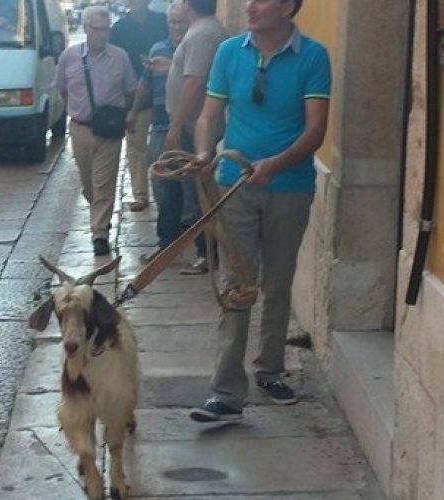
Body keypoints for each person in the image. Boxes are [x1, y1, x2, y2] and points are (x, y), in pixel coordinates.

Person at [187, 0, 331, 423]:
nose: (249, 5)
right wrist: (201, 154)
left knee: (278, 282)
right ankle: (227, 392)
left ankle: (270, 369)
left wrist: (276, 164)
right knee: (237, 285)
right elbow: (209, 115)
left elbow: (316, 128)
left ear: (287, 6)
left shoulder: (313, 55)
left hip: (289, 186)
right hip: (234, 184)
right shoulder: (230, 51)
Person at [57, 6, 138, 256]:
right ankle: (99, 213)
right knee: (89, 184)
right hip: (80, 129)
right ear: (86, 28)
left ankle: (99, 233)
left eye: (106, 29)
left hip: (109, 131)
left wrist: (125, 115)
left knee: (104, 183)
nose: (102, 35)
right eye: (97, 29)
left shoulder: (120, 57)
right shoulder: (70, 57)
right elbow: (63, 89)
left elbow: (130, 90)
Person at [126, 3, 198, 263]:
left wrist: (172, 68)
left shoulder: (195, 48)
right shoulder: (158, 48)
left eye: (181, 22)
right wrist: (134, 111)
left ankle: (199, 244)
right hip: (160, 125)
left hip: (190, 127)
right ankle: (166, 242)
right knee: (163, 185)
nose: (177, 27)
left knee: (193, 188)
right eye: (173, 22)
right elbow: (145, 83)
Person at [164, 0, 229, 274]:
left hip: (195, 130)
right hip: (195, 126)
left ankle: (206, 254)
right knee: (196, 193)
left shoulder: (202, 34)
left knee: (199, 195)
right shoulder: (202, 29)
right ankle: (206, 250)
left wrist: (176, 126)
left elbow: (195, 81)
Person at [110, 0, 168, 212]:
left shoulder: (162, 21)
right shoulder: (118, 29)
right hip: (137, 97)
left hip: (164, 93)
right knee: (136, 147)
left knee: (165, 146)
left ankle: (167, 188)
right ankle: (141, 194)